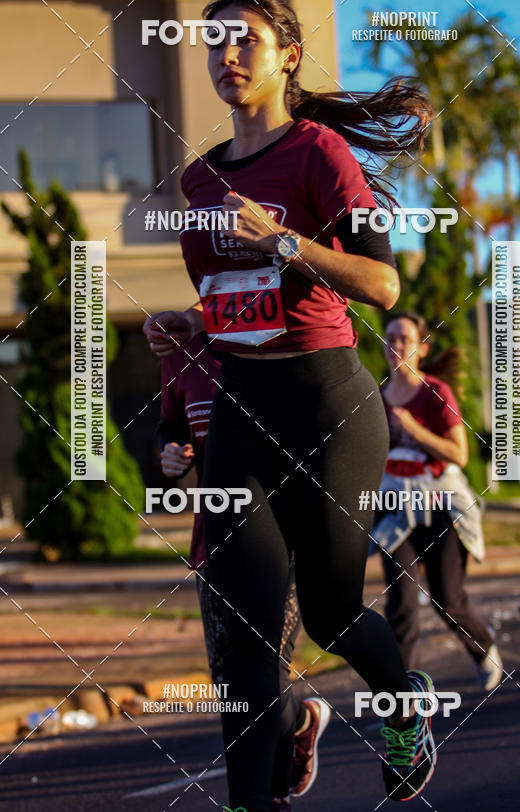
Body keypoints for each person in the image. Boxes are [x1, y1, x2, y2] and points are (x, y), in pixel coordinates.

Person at [143, 0, 435, 811]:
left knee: (335, 615)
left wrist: (284, 241)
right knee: (245, 635)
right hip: (244, 407)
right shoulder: (199, 178)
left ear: (288, 56)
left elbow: (382, 283)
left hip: (329, 404)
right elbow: (231, 299)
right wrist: (191, 332)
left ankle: (405, 704)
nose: (226, 56)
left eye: (245, 40)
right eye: (214, 42)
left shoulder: (318, 154)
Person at [157, 333, 331, 810]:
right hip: (214, 539)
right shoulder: (182, 352)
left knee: (265, 674)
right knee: (230, 685)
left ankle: (271, 794)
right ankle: (299, 728)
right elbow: (170, 423)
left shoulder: (279, 341)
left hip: (283, 534)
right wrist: (171, 451)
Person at [372, 312, 503, 690]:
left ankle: (483, 647)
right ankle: (401, 697)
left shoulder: (436, 392)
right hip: (396, 508)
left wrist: (413, 429)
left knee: (448, 599)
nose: (396, 345)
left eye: (405, 339)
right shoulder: (375, 398)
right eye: (390, 337)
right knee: (401, 605)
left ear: (422, 349)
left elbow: (459, 454)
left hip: (440, 506)